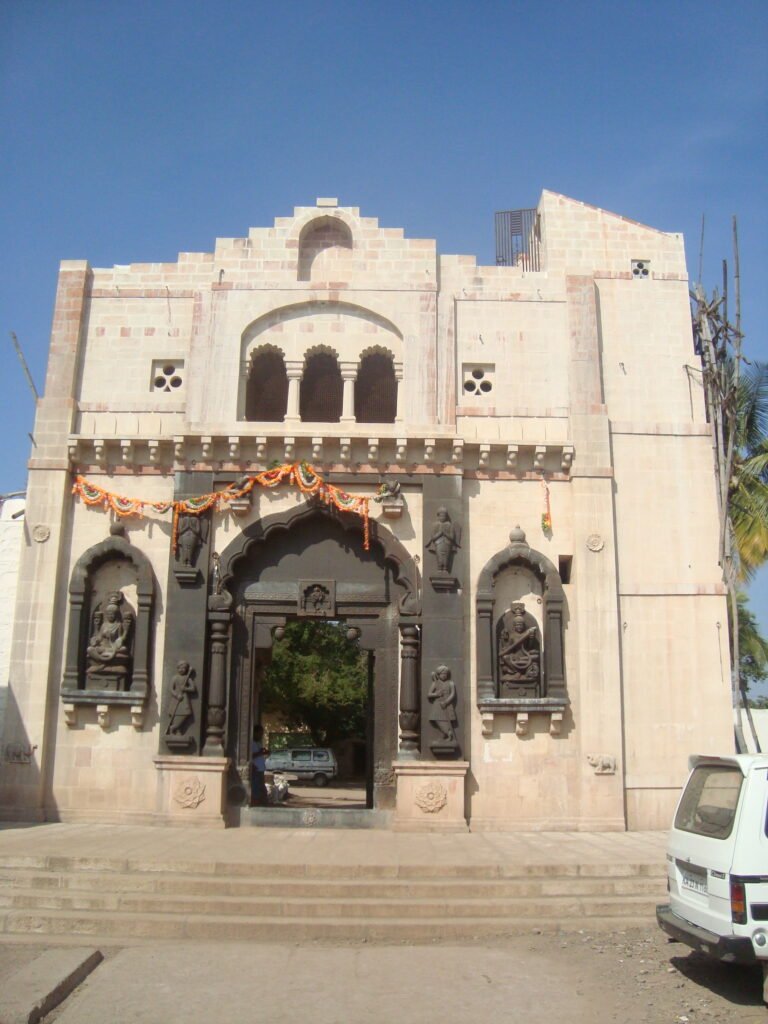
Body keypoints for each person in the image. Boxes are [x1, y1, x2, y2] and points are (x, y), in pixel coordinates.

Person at [251, 725, 270, 807]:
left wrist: (264, 752)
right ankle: (256, 804)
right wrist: (260, 753)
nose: (261, 736)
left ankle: (261, 804)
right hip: (255, 770)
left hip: (260, 770)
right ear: (255, 733)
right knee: (256, 789)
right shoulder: (251, 743)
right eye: (259, 733)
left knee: (261, 788)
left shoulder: (258, 743)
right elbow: (250, 756)